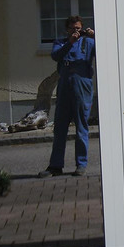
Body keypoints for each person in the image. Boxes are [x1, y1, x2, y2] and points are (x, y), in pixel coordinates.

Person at [39, 16, 95, 177]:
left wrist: (95, 36)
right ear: (67, 29)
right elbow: (55, 56)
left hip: (82, 84)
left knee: (81, 127)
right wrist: (70, 42)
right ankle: (55, 166)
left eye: (78, 28)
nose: (75, 31)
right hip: (64, 85)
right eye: (72, 28)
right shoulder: (61, 42)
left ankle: (81, 164)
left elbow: (106, 51)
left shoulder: (88, 42)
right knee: (60, 127)